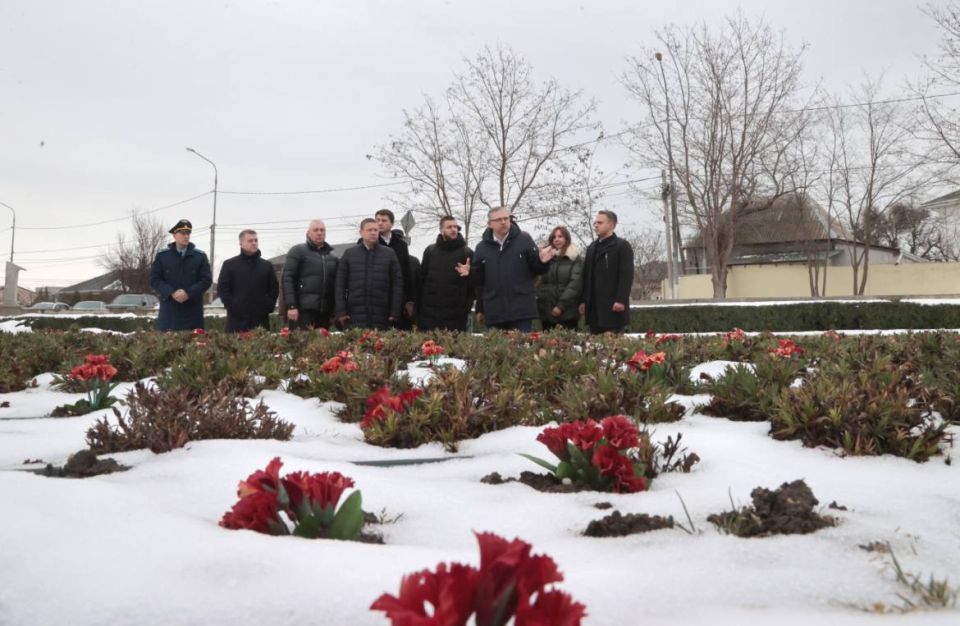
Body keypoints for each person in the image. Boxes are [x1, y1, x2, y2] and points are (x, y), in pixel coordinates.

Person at [457, 206, 554, 332]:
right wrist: (469, 274)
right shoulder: (482, 247)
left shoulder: (524, 239)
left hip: (521, 309)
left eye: (506, 218)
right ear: (489, 224)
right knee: (499, 350)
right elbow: (479, 282)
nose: (503, 222)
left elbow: (537, 270)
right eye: (498, 220)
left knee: (521, 348)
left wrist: (543, 262)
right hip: (495, 310)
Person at [335, 218, 403, 330]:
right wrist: (341, 311)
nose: (373, 233)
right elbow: (340, 284)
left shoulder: (389, 254)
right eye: (369, 230)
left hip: (382, 315)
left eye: (375, 230)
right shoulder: (350, 254)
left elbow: (397, 285)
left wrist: (395, 312)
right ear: (361, 232)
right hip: (354, 315)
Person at [150, 218, 213, 331]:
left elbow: (206, 280)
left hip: (192, 312)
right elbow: (155, 280)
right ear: (175, 235)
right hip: (169, 313)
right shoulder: (162, 257)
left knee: (194, 346)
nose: (186, 236)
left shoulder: (200, 257)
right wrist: (171, 292)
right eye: (183, 233)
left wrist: (188, 293)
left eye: (188, 233)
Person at [579, 210, 634, 334]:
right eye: (595, 223)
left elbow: (626, 275)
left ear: (611, 224)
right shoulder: (592, 248)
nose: (596, 225)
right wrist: (583, 300)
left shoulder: (622, 246)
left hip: (613, 308)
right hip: (594, 309)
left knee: (613, 348)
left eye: (600, 222)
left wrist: (620, 299)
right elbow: (586, 276)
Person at [216, 229, 280, 332]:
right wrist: (232, 306)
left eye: (256, 240)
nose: (254, 243)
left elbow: (274, 289)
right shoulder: (230, 265)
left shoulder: (266, 266)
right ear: (241, 243)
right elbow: (222, 289)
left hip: (260, 320)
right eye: (250, 241)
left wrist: (268, 306)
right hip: (236, 320)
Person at [418, 215, 473, 332]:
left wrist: (469, 273)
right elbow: (421, 280)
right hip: (429, 314)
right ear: (441, 230)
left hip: (456, 316)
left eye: (455, 227)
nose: (453, 229)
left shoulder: (466, 252)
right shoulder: (430, 251)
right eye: (449, 227)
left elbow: (473, 286)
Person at [281, 219, 339, 330]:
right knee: (302, 344)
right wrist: (291, 305)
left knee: (323, 346)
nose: (319, 233)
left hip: (325, 312)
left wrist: (335, 310)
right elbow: (287, 279)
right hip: (303, 311)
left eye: (322, 230)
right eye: (315, 230)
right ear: (308, 233)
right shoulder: (297, 251)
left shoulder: (333, 256)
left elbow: (336, 284)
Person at [536, 225, 583, 330]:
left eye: (560, 236)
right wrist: (540, 261)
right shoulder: (546, 257)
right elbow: (538, 281)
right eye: (554, 237)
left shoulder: (574, 258)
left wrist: (561, 306)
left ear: (567, 239)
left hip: (567, 312)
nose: (556, 239)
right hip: (546, 311)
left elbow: (575, 284)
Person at [374, 209, 415, 327]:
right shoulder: (370, 242)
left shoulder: (401, 245)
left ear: (391, 223)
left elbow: (407, 272)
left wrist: (409, 300)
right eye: (377, 220)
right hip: (377, 296)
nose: (380, 223)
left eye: (384, 220)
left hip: (397, 297)